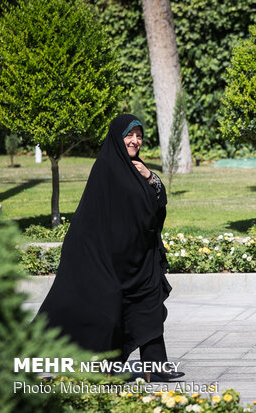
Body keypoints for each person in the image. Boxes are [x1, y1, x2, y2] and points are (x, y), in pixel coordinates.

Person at [38, 114, 184, 382]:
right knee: (104, 314)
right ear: (118, 137)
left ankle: (156, 367)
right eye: (130, 135)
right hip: (107, 259)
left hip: (139, 256)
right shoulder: (107, 168)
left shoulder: (139, 168)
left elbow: (157, 205)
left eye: (139, 136)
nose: (135, 141)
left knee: (149, 306)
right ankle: (91, 368)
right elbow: (103, 219)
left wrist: (152, 178)